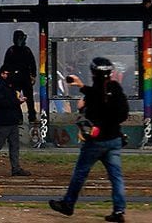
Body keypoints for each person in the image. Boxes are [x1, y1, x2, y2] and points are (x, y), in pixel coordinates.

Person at [49, 57, 129, 222]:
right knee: (116, 176)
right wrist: (81, 86)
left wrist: (81, 87)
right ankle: (119, 211)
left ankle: (68, 204)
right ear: (110, 72)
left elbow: (86, 107)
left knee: (80, 172)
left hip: (96, 140)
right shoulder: (115, 88)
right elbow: (122, 113)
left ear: (93, 73)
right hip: (114, 139)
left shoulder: (95, 93)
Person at [3, 30, 37, 124]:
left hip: (25, 77)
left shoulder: (26, 50)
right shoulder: (11, 51)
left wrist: (33, 75)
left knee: (29, 98)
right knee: (15, 99)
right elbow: (6, 66)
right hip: (15, 78)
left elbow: (32, 63)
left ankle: (31, 117)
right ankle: (19, 117)